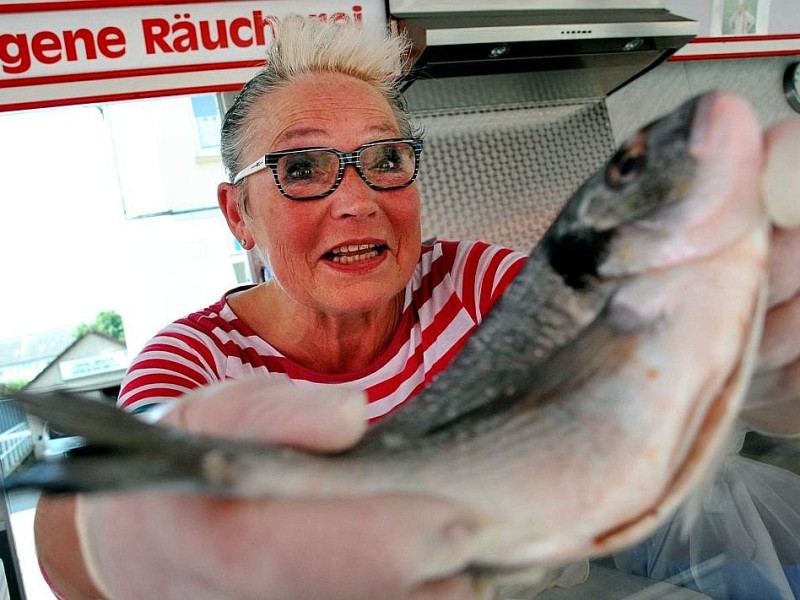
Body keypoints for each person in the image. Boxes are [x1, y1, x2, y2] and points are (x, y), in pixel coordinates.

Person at [31, 14, 800, 600]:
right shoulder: (195, 358)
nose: (358, 201)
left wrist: (742, 354)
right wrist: (117, 536)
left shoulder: (473, 283)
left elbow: (614, 357)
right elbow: (81, 535)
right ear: (238, 215)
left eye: (386, 160)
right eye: (302, 167)